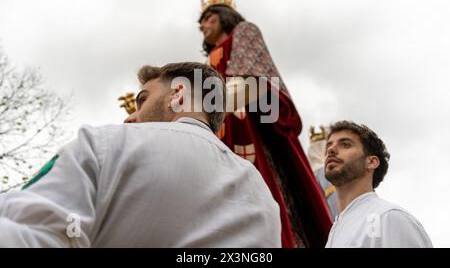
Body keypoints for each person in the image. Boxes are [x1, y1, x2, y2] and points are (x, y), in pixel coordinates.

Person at [0, 62, 281, 247]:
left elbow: (30, 236)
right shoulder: (265, 201)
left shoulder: (107, 145)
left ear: (179, 94)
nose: (130, 119)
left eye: (143, 100)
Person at [198, 0, 332, 247]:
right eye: (201, 23)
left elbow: (255, 78)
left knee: (265, 194)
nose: (203, 25)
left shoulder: (244, 32)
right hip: (219, 132)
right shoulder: (206, 60)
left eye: (209, 18)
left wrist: (228, 98)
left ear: (225, 17)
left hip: (249, 127)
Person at [324, 120, 433, 248]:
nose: (331, 150)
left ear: (371, 162)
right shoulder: (335, 230)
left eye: (345, 145)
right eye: (329, 146)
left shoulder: (389, 217)